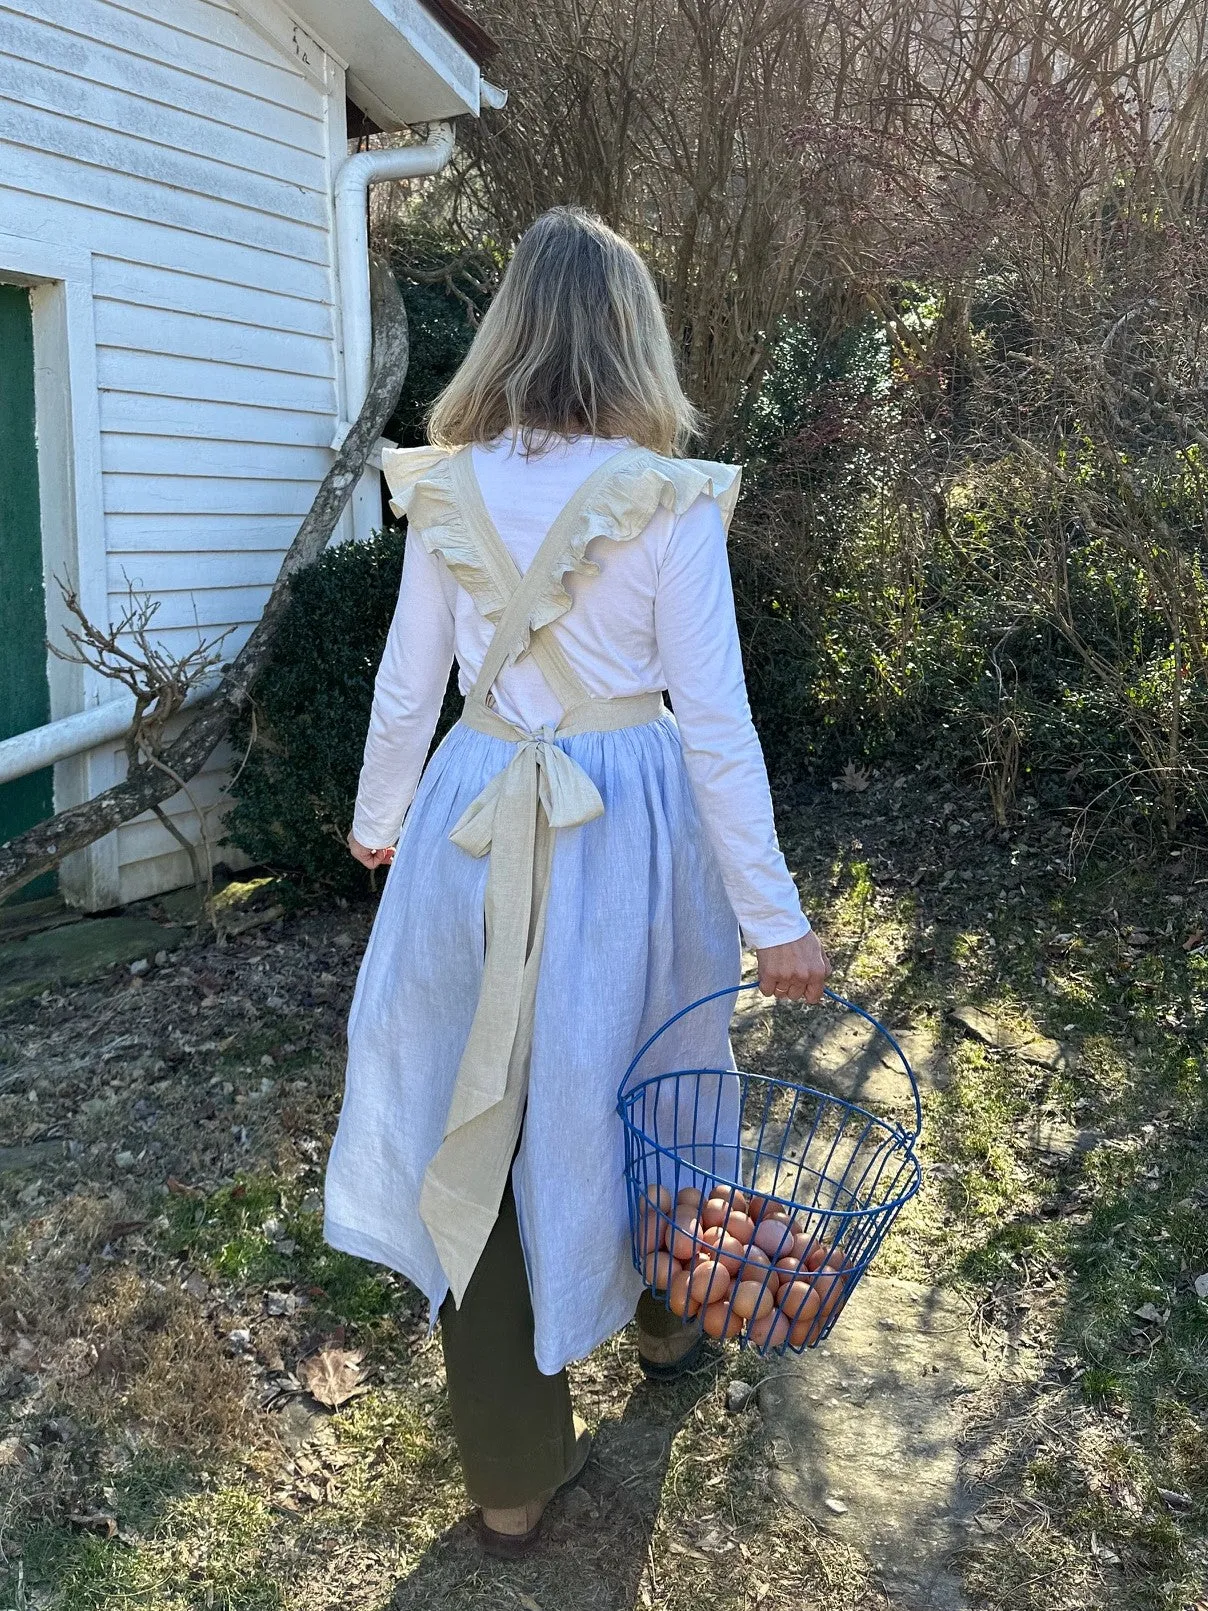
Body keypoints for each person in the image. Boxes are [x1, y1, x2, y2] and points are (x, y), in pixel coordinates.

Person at [323, 206, 829, 1556]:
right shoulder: (667, 501)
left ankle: (509, 1471)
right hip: (632, 828)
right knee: (651, 1077)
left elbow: (404, 684)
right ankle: (669, 1318)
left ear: (507, 330)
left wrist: (380, 819)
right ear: (633, 334)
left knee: (476, 1107)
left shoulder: (443, 488)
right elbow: (715, 725)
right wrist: (773, 920)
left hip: (472, 823)